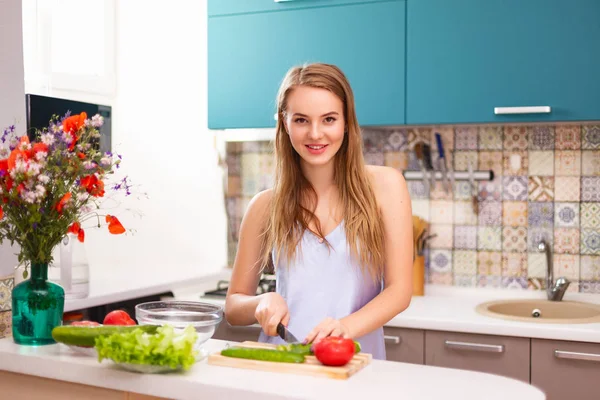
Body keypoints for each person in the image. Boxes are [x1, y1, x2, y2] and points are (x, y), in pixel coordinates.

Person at [224, 63, 413, 360]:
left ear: (346, 122)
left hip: (354, 363)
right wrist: (261, 302)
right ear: (284, 124)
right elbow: (234, 307)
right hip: (284, 365)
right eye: (301, 120)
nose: (315, 134)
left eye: (328, 119)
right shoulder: (264, 206)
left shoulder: (386, 186)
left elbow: (400, 290)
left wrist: (344, 329)